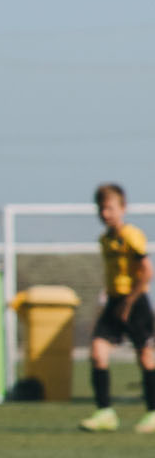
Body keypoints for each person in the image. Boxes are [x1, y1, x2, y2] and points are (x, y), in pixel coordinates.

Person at [79, 182, 155, 432]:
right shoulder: (105, 240)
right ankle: (105, 413)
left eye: (110, 208)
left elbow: (147, 271)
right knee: (97, 352)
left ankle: (153, 413)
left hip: (135, 301)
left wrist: (129, 301)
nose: (105, 214)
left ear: (123, 208)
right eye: (101, 209)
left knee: (145, 356)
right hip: (113, 301)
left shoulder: (131, 235)